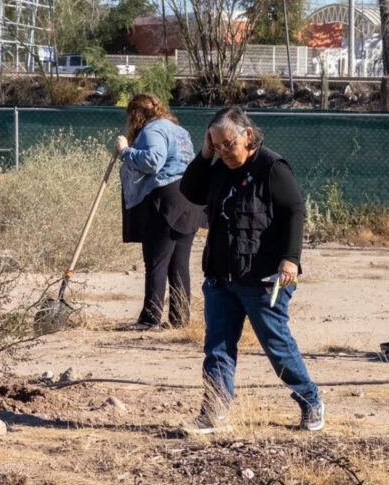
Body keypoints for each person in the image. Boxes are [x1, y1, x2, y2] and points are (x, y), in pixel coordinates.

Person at [179, 106, 323, 434]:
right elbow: (190, 191)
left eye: (228, 143)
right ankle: (214, 412)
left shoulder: (272, 166)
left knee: (277, 347)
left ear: (247, 134)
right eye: (217, 146)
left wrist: (291, 258)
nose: (224, 152)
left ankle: (311, 401)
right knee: (217, 347)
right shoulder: (217, 168)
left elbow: (294, 211)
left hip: (263, 278)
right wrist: (204, 155)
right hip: (221, 276)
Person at [114, 93, 204, 330]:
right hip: (190, 199)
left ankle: (149, 318)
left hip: (167, 199)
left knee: (156, 260)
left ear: (136, 114)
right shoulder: (179, 130)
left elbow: (153, 161)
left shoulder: (153, 130)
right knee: (179, 263)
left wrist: (125, 151)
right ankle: (179, 319)